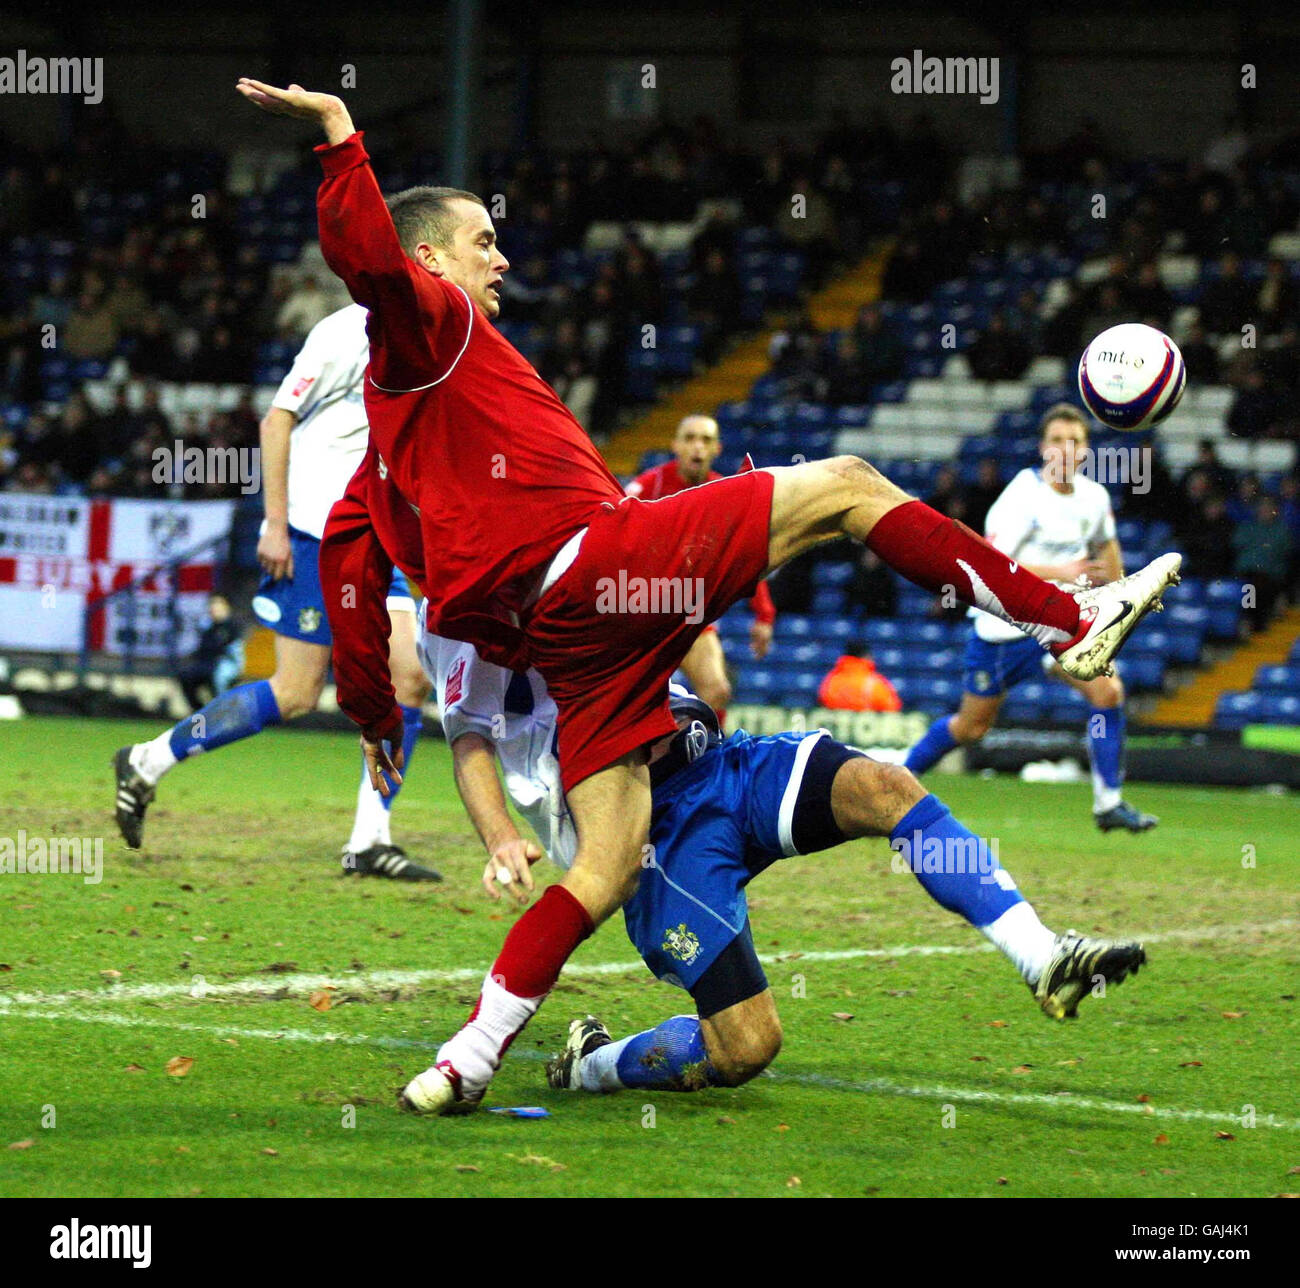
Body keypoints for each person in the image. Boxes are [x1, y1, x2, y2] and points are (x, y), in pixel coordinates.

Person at [237, 79, 1180, 1114]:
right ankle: (1066, 620)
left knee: (607, 872)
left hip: (601, 664)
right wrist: (340, 143)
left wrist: (372, 713)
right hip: (587, 574)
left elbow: (352, 572)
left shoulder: (398, 439)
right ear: (430, 261)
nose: (498, 258)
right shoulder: (429, 322)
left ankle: (469, 1054)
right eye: (480, 241)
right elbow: (369, 262)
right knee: (852, 485)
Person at [419, 628, 1146, 1103]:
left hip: (725, 768)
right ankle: (594, 1064)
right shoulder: (459, 637)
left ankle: (1042, 955)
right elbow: (468, 741)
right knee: (747, 1047)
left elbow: (687, 635)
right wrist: (499, 838)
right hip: (653, 839)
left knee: (888, 788)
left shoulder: (579, 568)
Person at [112, 302, 438, 880]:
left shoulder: (441, 334)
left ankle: (369, 839)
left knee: (408, 675)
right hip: (316, 530)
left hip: (375, 531)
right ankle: (147, 759)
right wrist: (275, 524)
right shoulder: (347, 330)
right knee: (295, 692)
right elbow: (277, 418)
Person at [904, 405, 1158, 833]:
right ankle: (899, 780)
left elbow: (1108, 551)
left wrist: (1121, 596)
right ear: (1043, 448)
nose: (1065, 448)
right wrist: (1063, 572)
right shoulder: (1021, 496)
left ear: (1085, 451)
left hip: (1055, 627)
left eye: (1074, 441)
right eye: (1057, 439)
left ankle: (1108, 804)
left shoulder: (1093, 498)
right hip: (1003, 628)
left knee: (1107, 693)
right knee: (972, 727)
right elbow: (992, 563)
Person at [624, 414, 775, 717]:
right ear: (675, 445)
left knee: (716, 690)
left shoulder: (725, 493)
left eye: (705, 440)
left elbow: (744, 555)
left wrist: (764, 614)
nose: (697, 447)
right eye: (690, 438)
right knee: (634, 701)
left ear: (717, 448)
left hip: (690, 614)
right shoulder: (646, 489)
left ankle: (703, 759)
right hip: (641, 612)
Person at [176, 593, 244, 709]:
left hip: (224, 663)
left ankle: (223, 711)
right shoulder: (207, 626)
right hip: (205, 663)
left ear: (226, 608)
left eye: (218, 606)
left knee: (217, 677)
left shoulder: (232, 626)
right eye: (212, 605)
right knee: (185, 675)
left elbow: (234, 651)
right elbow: (201, 648)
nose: (214, 609)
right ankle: (198, 711)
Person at [817, 642, 902, 712]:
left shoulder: (832, 680)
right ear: (866, 657)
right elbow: (891, 708)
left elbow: (823, 703)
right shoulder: (874, 682)